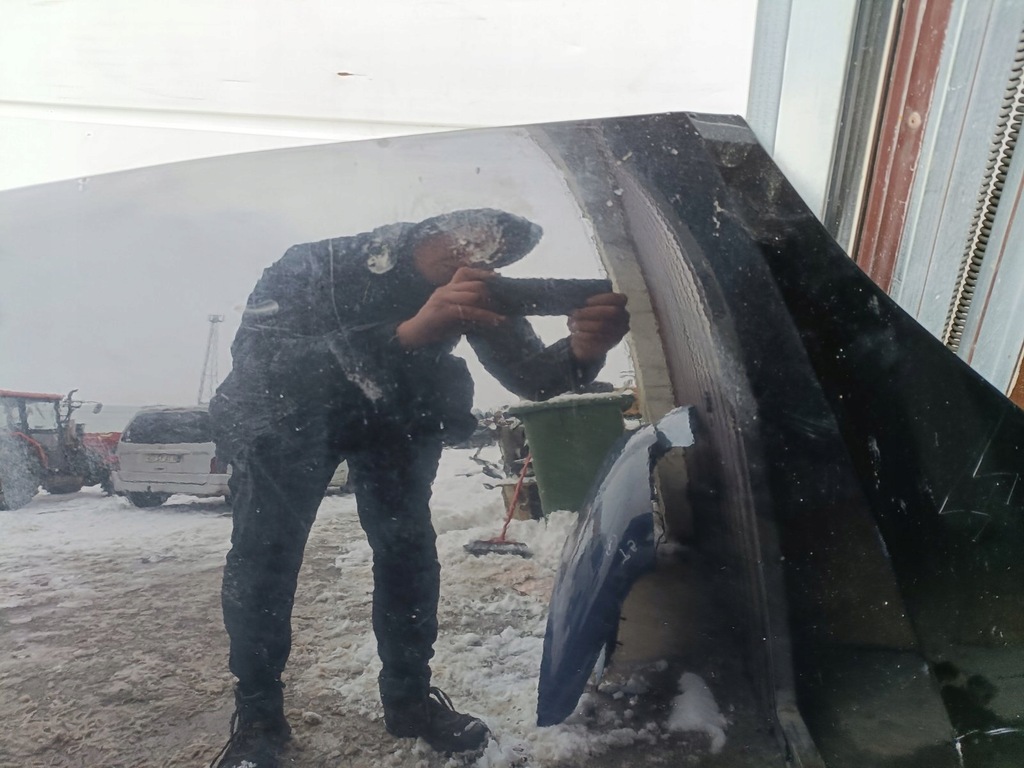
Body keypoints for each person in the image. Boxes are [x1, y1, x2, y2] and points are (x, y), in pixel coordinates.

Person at [208, 208, 629, 767]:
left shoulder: (472, 289)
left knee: (407, 552)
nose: (476, 257)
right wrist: (407, 332)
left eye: (496, 254)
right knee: (264, 557)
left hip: (394, 418)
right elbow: (262, 360)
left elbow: (531, 376)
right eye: (469, 239)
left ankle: (409, 700)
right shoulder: (320, 262)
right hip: (286, 420)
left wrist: (584, 350)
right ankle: (259, 717)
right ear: (430, 229)